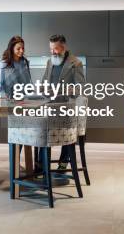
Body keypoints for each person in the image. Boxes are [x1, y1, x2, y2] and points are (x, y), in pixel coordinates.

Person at [41, 34, 85, 170]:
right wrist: (43, 89)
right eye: (51, 49)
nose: (52, 52)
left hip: (66, 107)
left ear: (63, 47)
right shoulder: (50, 61)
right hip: (49, 106)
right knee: (40, 128)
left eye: (55, 49)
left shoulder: (76, 63)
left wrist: (67, 90)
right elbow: (43, 82)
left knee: (67, 131)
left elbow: (80, 87)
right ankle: (41, 164)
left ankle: (63, 161)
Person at [0, 35, 31, 100]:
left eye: (23, 48)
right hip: (9, 100)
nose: (22, 51)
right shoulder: (4, 64)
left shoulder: (24, 63)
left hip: (23, 99)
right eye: (18, 48)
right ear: (12, 49)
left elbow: (28, 82)